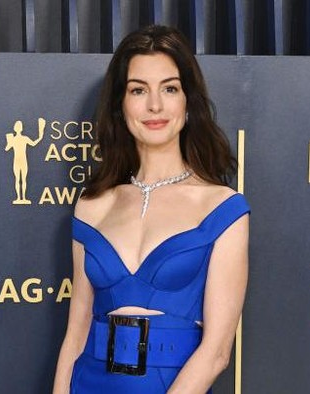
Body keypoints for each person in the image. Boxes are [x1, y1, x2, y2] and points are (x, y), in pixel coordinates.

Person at [52, 25, 250, 394]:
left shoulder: (222, 208)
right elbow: (75, 335)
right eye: (138, 90)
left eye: (170, 88)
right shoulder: (92, 206)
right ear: (120, 105)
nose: (154, 105)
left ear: (187, 101)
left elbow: (217, 351)